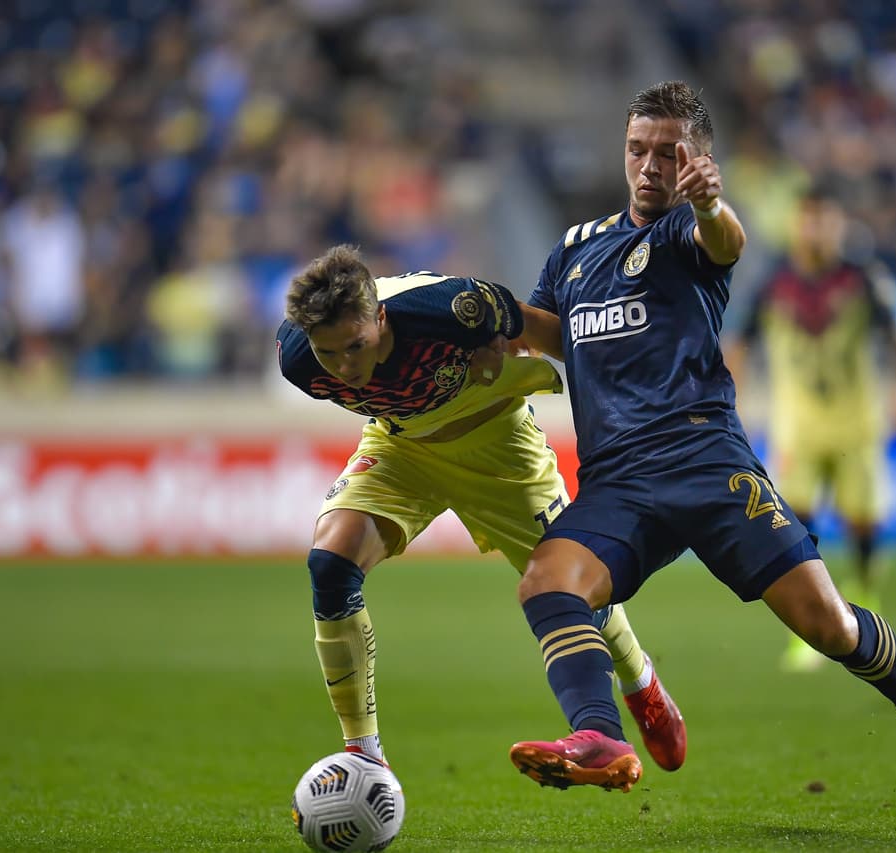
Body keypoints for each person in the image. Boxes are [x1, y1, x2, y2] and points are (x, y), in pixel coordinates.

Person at [506, 82, 896, 815]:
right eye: (638, 149)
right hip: (618, 483)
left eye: (669, 154)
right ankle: (600, 736)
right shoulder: (575, 249)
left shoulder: (687, 233)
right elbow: (544, 334)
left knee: (830, 624)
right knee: (546, 581)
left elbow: (725, 238)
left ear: (697, 159)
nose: (649, 166)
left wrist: (705, 203)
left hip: (708, 465)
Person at [276, 244, 686, 772]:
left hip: (501, 450)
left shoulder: (450, 307)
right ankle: (364, 754)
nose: (345, 367)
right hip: (404, 451)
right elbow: (356, 378)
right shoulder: (298, 360)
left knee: (572, 586)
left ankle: (640, 680)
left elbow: (557, 336)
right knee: (330, 564)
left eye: (355, 346)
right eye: (329, 354)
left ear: (380, 315)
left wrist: (638, 391)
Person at [733, 183, 896, 672]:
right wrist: (733, 402)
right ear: (797, 223)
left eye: (825, 219)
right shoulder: (772, 282)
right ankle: (811, 626)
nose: (816, 229)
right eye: (809, 218)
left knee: (862, 520)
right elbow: (740, 344)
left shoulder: (862, 278)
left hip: (857, 423)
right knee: (795, 523)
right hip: (797, 427)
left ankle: (865, 595)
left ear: (839, 225)